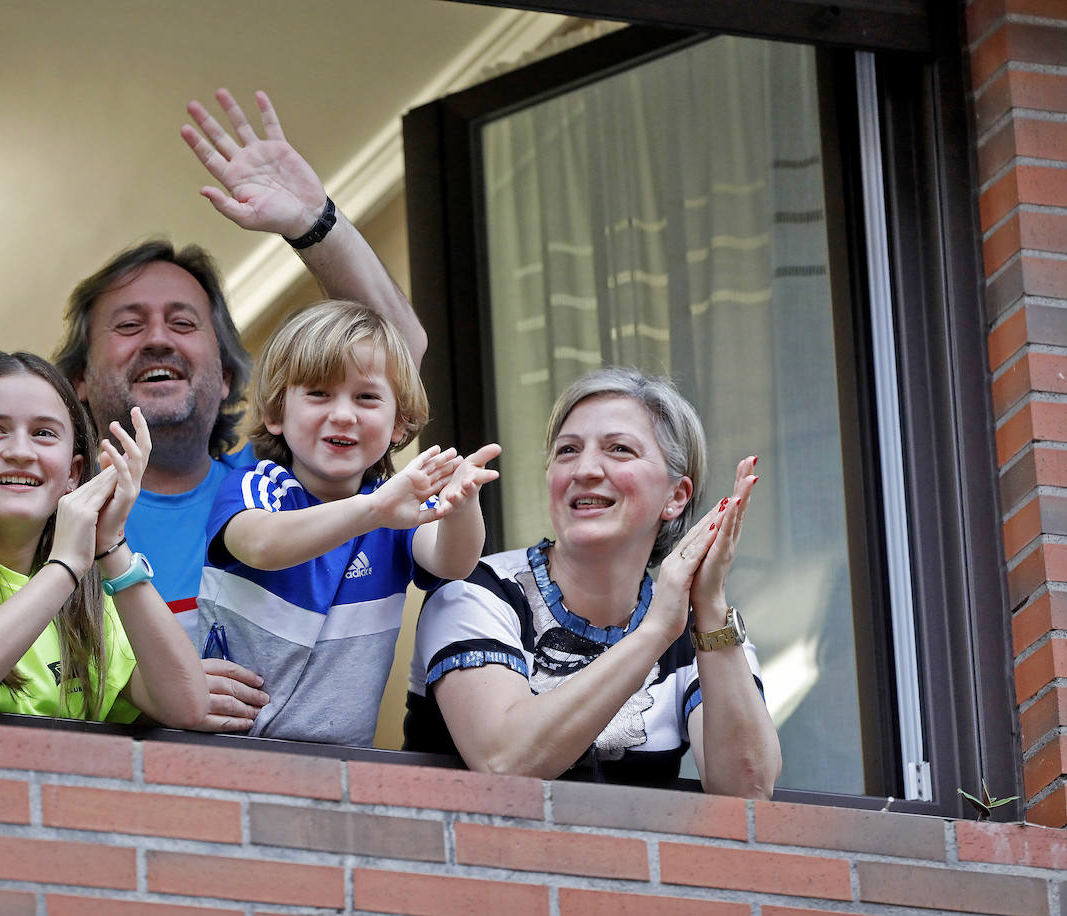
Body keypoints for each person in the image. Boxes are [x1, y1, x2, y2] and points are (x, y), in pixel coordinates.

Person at [52, 88, 426, 732]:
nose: (160, 338)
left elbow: (400, 354)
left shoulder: (277, 487)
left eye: (182, 322)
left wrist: (315, 222)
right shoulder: (53, 511)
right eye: (130, 324)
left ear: (227, 376)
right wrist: (145, 684)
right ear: (80, 379)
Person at [403, 368, 781, 797]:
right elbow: (504, 762)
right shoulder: (479, 589)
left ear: (676, 496)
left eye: (620, 450)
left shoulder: (701, 628)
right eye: (567, 451)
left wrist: (710, 606)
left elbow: (747, 791)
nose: (583, 470)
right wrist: (656, 632)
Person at [197, 302, 500, 745]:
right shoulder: (258, 487)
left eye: (366, 397)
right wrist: (374, 510)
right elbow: (261, 545)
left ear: (399, 423)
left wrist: (461, 504)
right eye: (319, 393)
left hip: (342, 766)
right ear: (277, 414)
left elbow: (453, 561)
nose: (343, 414)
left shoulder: (396, 504)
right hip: (226, 750)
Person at [0, 351, 209, 727]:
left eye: (43, 433)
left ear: (73, 473)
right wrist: (64, 567)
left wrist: (111, 546)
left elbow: (187, 705)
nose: (20, 451)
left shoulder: (87, 594)